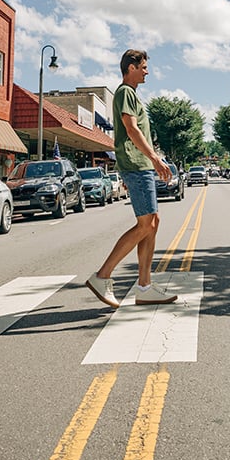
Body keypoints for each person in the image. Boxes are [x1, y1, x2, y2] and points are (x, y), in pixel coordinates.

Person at [85, 50, 176, 308]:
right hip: (136, 165)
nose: (147, 71)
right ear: (132, 67)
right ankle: (102, 276)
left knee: (153, 222)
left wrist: (153, 160)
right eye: (144, 67)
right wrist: (155, 158)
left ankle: (145, 286)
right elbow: (131, 128)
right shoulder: (125, 92)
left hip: (140, 165)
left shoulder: (132, 94)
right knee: (146, 224)